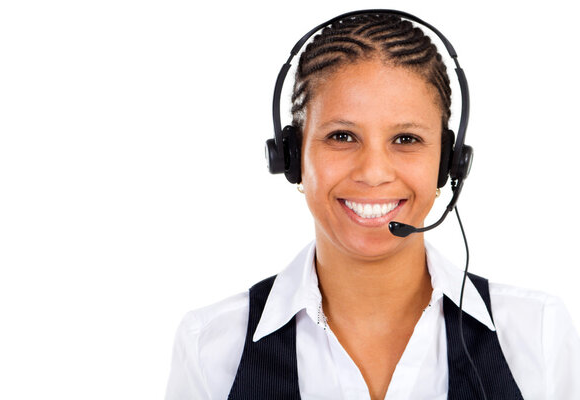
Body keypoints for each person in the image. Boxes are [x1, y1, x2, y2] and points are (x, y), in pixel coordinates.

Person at [164, 11, 580, 400]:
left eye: (406, 139)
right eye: (342, 136)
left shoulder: (533, 332)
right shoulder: (212, 347)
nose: (374, 172)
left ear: (448, 163)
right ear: (291, 157)